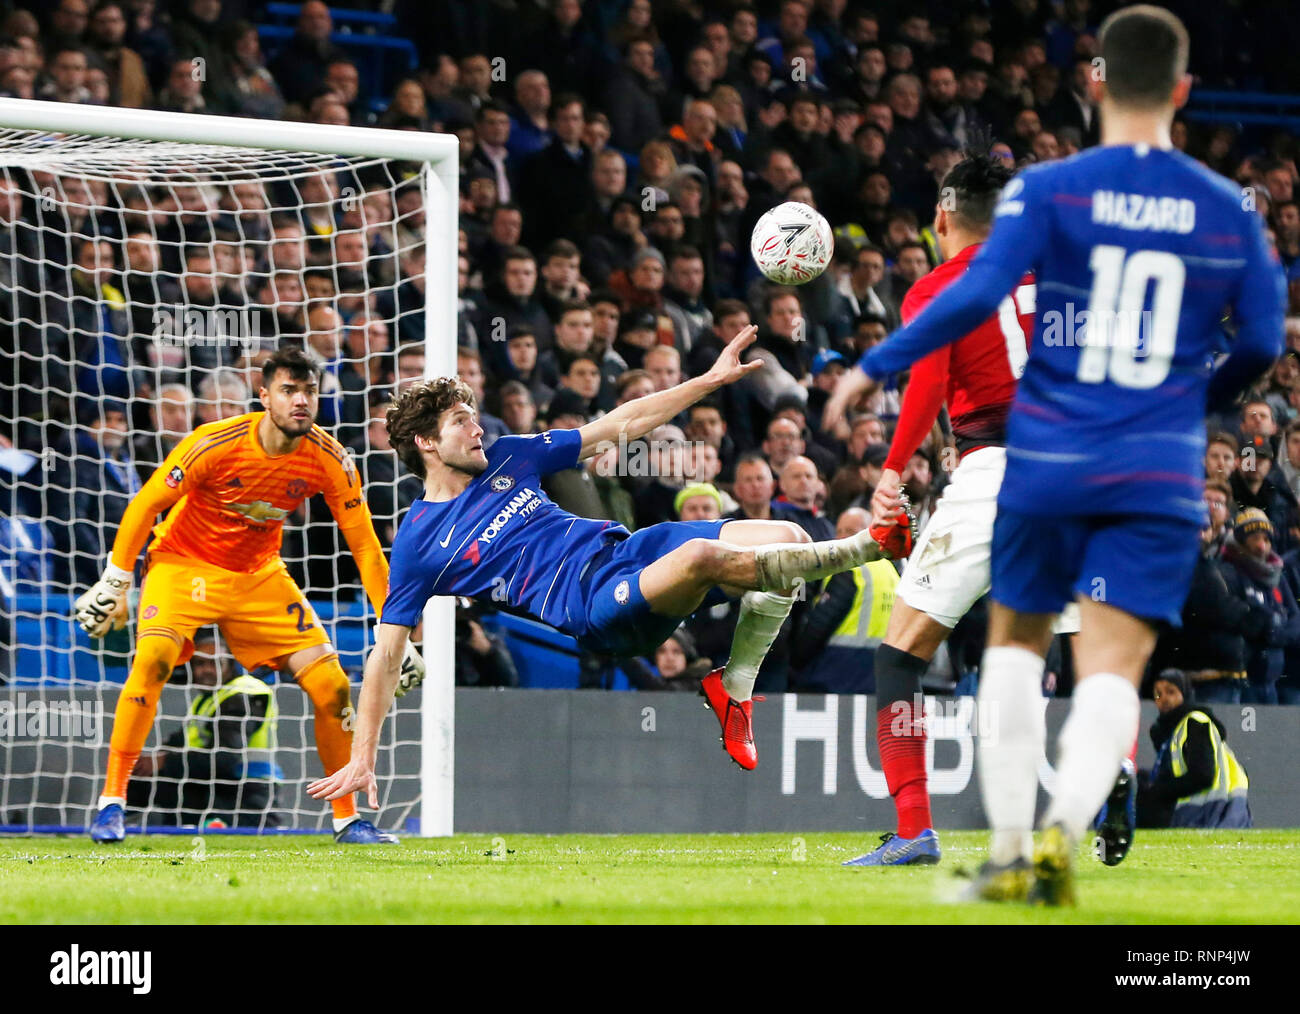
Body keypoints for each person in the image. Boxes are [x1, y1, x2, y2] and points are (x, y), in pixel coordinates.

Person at [826, 6, 1284, 904]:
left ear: (1096, 83)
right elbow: (1261, 341)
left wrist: (881, 431)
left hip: (1009, 465)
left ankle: (932, 836)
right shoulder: (1220, 209)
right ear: (1186, 91)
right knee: (1106, 665)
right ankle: (1100, 784)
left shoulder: (1046, 207)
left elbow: (950, 333)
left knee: (925, 649)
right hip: (1136, 462)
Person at [307, 324, 889, 812]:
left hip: (629, 551)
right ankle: (871, 546)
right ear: (425, 443)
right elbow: (386, 654)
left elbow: (620, 425)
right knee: (703, 557)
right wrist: (362, 756)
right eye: (461, 419)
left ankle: (733, 685)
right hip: (596, 610)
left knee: (786, 535)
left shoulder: (511, 456)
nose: (478, 426)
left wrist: (706, 382)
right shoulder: (419, 541)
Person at [75, 348, 425, 846]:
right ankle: (111, 803)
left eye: (309, 392)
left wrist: (398, 633)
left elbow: (366, 545)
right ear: (264, 397)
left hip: (259, 574)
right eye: (289, 390)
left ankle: (349, 821)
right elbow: (147, 501)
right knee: (152, 660)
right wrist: (116, 579)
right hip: (184, 563)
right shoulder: (212, 444)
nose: (301, 401)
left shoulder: (330, 458)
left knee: (332, 686)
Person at [832, 153, 1070, 868]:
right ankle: (1106, 782)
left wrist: (893, 470)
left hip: (996, 470)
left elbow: (929, 381)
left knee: (900, 654)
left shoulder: (939, 286)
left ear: (941, 218)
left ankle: (914, 830)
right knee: (1078, 650)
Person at [127, 631, 283, 829]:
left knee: (163, 774)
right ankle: (120, 819)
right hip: (213, 790)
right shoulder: (205, 702)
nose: (206, 670)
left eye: (214, 663)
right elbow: (179, 741)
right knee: (143, 775)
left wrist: (164, 760)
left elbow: (224, 759)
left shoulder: (243, 695)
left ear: (229, 666)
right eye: (200, 664)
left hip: (247, 796)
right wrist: (149, 760)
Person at [1137, 670, 1251, 828]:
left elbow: (1203, 776)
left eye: (1171, 692)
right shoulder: (1164, 731)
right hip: (1196, 807)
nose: (1164, 699)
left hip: (1209, 810)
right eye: (1158, 694)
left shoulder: (1196, 722)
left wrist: (1157, 791)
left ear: (1185, 693)